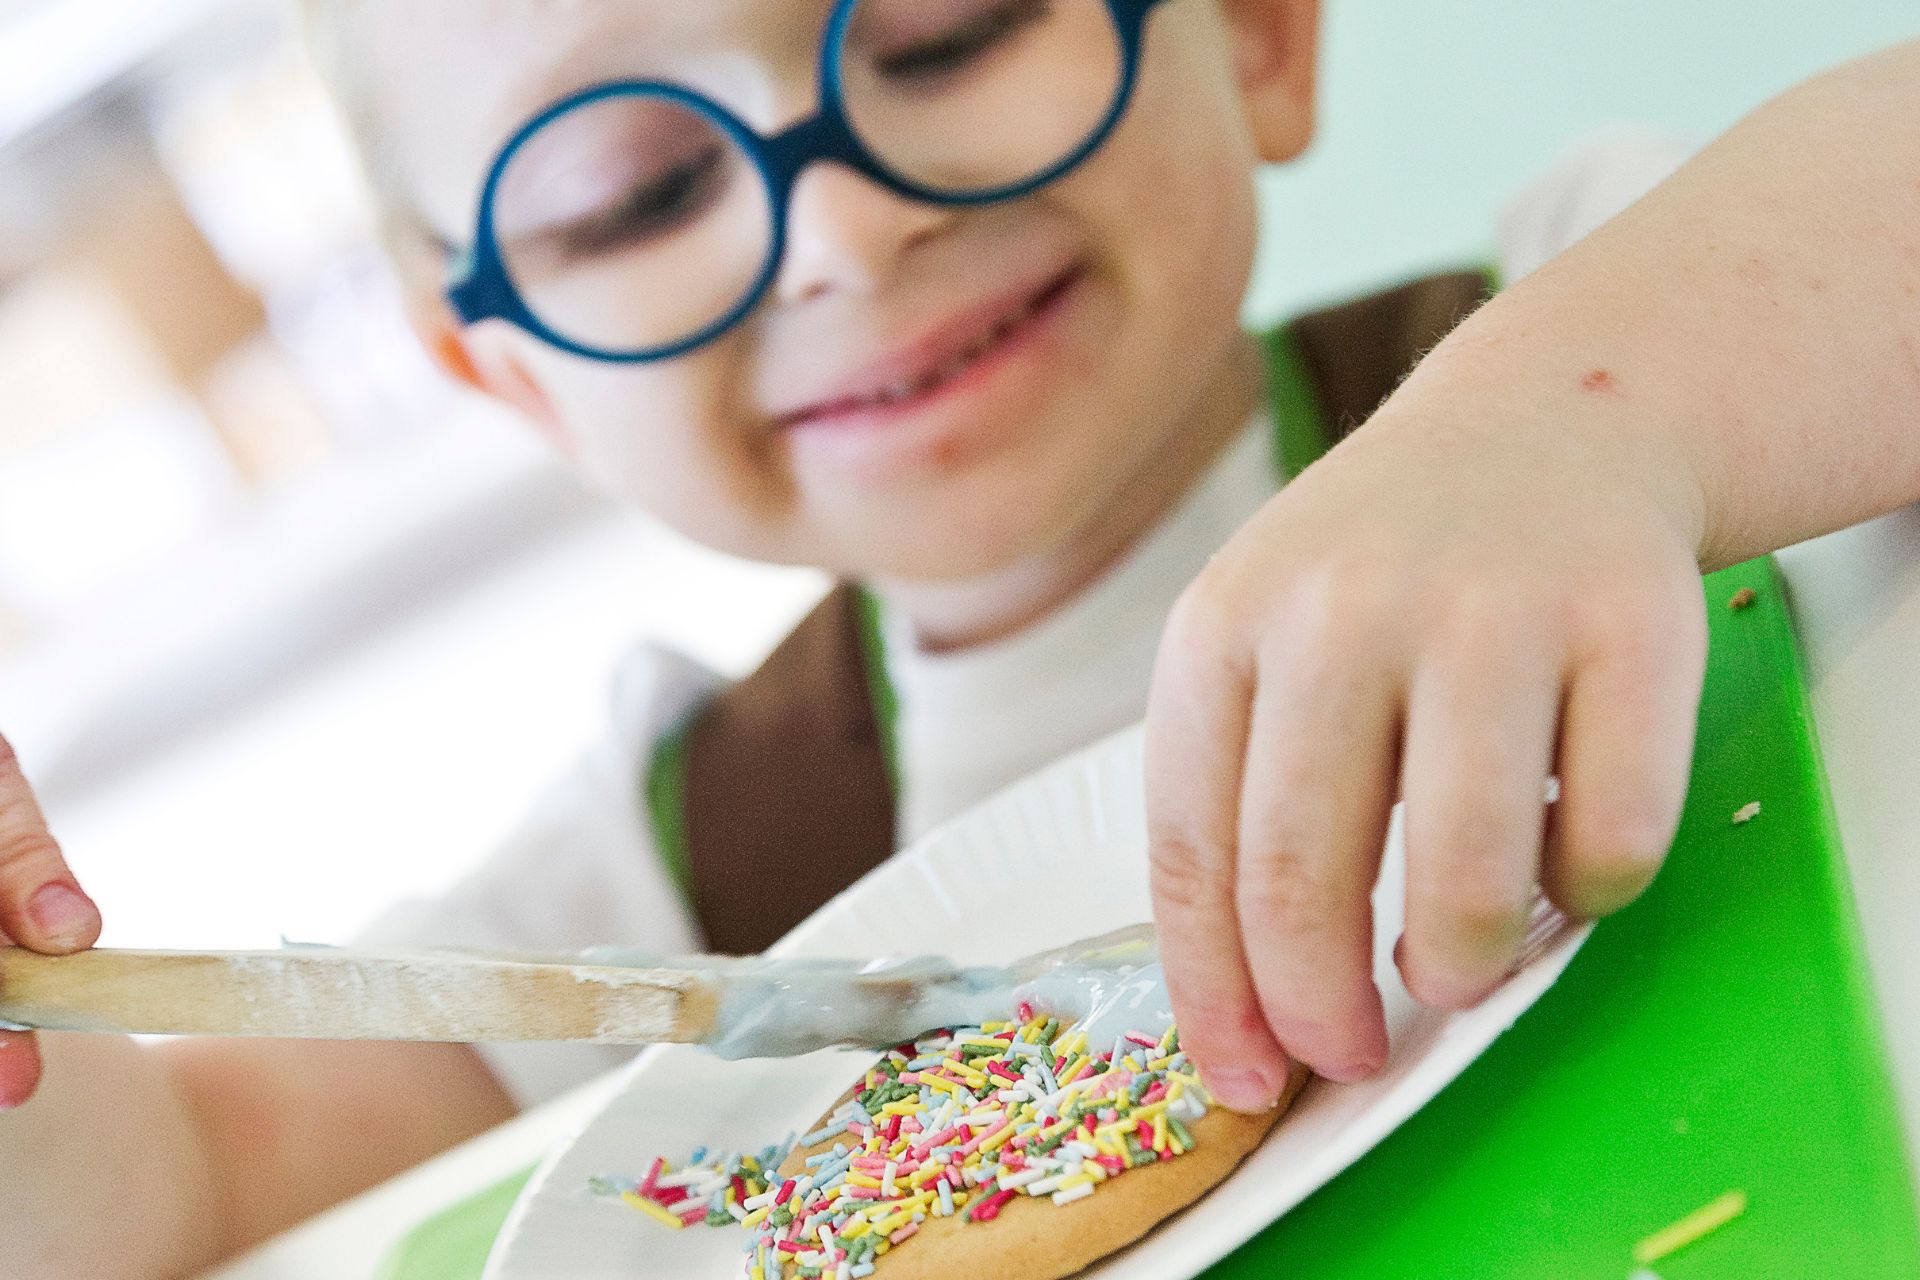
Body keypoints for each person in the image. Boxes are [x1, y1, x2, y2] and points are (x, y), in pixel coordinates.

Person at [0, 0, 1915, 1269]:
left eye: (941, 26)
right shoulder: (675, 859)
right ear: (516, 385)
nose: (839, 226)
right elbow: (177, 1188)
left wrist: (1596, 417)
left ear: (1253, 31)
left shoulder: (1614, 321)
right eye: (636, 192)